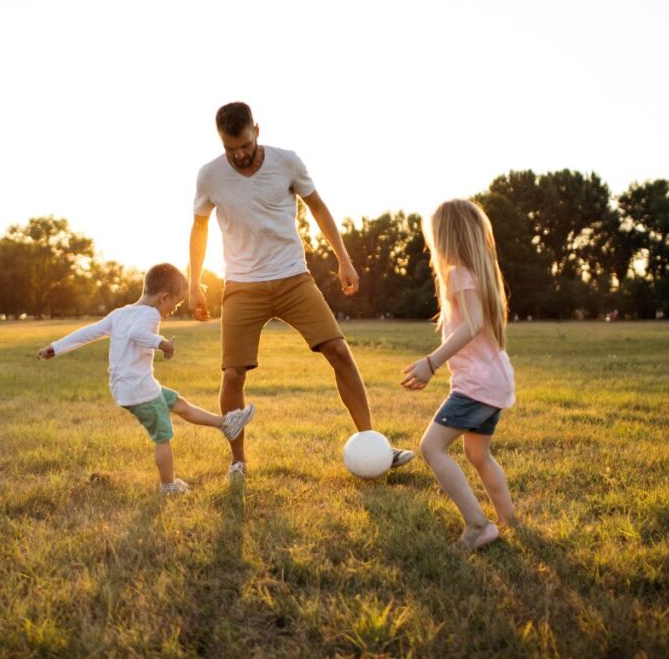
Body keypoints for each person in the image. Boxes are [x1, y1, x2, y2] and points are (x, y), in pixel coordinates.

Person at [188, 101, 414, 480]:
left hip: (293, 277)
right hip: (242, 285)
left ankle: (374, 443)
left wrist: (344, 258)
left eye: (245, 145)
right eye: (231, 150)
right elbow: (199, 228)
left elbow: (318, 207)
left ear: (256, 130)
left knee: (339, 351)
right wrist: (193, 283)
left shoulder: (287, 162)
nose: (240, 155)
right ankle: (238, 461)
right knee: (232, 375)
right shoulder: (209, 175)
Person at [37, 263, 255, 495]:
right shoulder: (150, 314)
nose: (174, 308)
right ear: (164, 298)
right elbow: (137, 334)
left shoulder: (119, 314)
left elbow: (89, 332)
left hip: (129, 387)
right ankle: (168, 486)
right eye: (176, 303)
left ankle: (226, 424)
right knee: (163, 436)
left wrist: (56, 348)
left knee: (177, 403)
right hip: (139, 389)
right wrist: (162, 343)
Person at [400, 199, 517, 551]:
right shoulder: (477, 274)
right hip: (493, 382)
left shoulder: (459, 274)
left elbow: (472, 325)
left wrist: (431, 363)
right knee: (478, 455)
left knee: (431, 447)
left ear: (445, 238)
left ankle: (478, 525)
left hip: (477, 386)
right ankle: (510, 521)